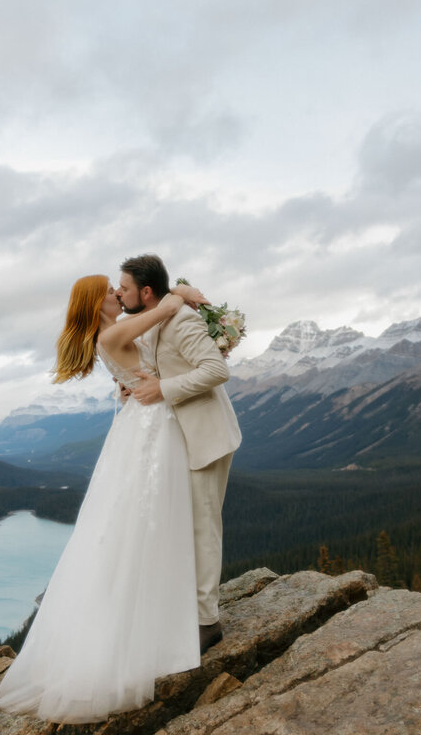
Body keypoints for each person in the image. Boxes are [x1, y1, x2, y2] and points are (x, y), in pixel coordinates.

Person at [0, 274, 210, 724]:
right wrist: (183, 293)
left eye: (117, 286)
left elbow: (142, 351)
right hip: (152, 427)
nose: (117, 293)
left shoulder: (108, 334)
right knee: (152, 521)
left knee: (133, 522)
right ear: (97, 302)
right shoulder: (111, 331)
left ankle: (150, 621)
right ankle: (157, 629)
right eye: (110, 289)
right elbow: (165, 310)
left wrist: (132, 383)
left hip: (140, 421)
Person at [116, 254, 241, 653]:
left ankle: (207, 623)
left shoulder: (181, 320)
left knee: (203, 528)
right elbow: (158, 368)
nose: (119, 295)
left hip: (205, 437)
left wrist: (163, 389)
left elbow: (216, 371)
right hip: (178, 438)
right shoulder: (152, 322)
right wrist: (140, 386)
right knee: (183, 526)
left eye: (125, 289)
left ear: (146, 292)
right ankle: (190, 608)